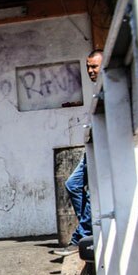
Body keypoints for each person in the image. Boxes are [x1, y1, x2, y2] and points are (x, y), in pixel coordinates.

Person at [55, 49, 102, 257]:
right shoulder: (97, 88)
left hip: (102, 146)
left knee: (92, 192)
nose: (90, 71)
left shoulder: (110, 83)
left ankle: (80, 237)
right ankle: (87, 230)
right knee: (72, 184)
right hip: (91, 146)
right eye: (88, 67)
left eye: (94, 66)